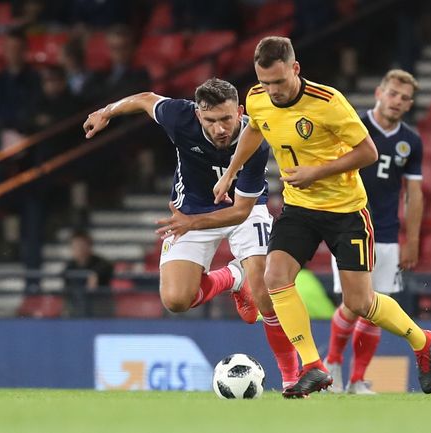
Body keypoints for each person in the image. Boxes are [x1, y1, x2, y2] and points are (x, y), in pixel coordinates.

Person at [213, 36, 431, 398]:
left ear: (295, 69)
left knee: (359, 303)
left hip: (345, 211)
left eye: (278, 81)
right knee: (275, 277)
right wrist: (230, 173)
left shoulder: (328, 102)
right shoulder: (257, 98)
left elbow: (367, 152)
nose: (271, 90)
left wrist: (315, 172)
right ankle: (313, 366)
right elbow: (255, 129)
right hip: (299, 209)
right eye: (265, 81)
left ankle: (422, 340)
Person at [82, 78, 300, 389]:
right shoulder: (179, 116)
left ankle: (291, 380)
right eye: (211, 121)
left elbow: (240, 211)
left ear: (240, 111)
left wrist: (191, 225)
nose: (220, 128)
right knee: (176, 300)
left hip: (244, 209)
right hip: (192, 209)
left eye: (227, 119)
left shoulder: (255, 139)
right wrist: (107, 111)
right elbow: (145, 98)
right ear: (198, 115)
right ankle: (233, 278)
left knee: (265, 293)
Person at [323, 69, 425, 395]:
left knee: (378, 307)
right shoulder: (355, 127)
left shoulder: (411, 142)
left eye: (405, 98)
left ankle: (357, 380)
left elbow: (414, 193)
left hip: (386, 234)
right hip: (349, 226)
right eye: (393, 93)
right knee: (355, 304)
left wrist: (413, 240)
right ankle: (334, 363)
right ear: (379, 93)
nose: (397, 101)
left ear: (410, 105)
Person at [63, 229, 114, 316]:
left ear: (89, 246)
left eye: (81, 245)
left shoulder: (101, 263)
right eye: (75, 246)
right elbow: (67, 291)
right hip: (77, 310)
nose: (79, 249)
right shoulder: (69, 267)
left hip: (99, 311)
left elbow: (108, 267)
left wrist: (95, 274)